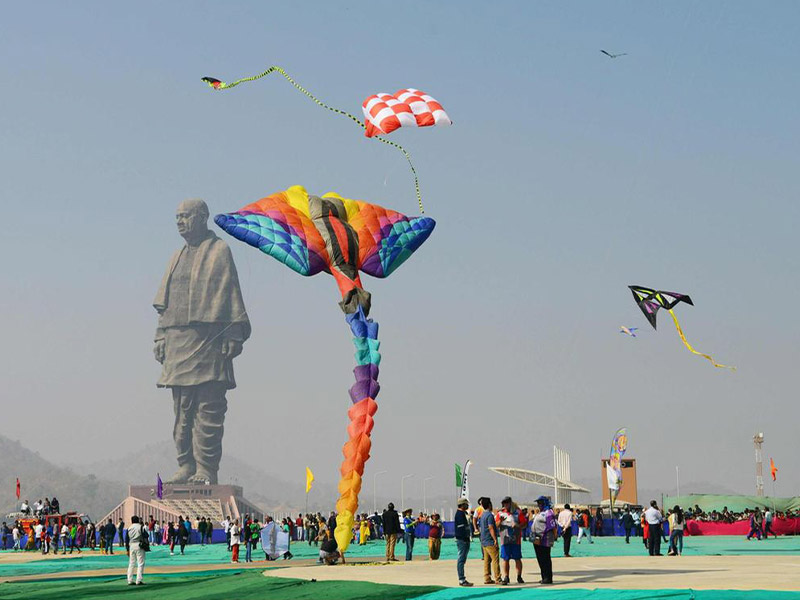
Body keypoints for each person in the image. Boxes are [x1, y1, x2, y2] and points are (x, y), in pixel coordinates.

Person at [154, 199, 251, 485]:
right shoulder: (177, 256)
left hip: (210, 341)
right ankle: (185, 464)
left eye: (185, 216)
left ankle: (206, 468)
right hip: (177, 340)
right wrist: (160, 335)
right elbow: (165, 303)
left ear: (202, 217)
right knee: (181, 409)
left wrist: (233, 334)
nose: (180, 222)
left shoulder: (219, 250)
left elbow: (230, 293)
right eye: (177, 217)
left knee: (209, 409)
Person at [496, 496, 527, 585]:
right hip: (504, 540)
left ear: (510, 503)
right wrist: (500, 521)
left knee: (517, 558)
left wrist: (517, 525)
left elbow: (524, 524)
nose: (505, 505)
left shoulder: (518, 512)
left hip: (516, 540)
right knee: (505, 559)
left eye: (507, 503)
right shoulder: (500, 513)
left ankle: (519, 576)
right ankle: (506, 577)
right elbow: (496, 525)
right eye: (504, 503)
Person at [531, 496, 557, 585]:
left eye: (540, 503)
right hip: (537, 538)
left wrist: (555, 536)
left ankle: (548, 578)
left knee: (545, 558)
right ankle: (543, 576)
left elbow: (553, 526)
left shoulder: (549, 513)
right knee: (540, 558)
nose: (539, 505)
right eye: (538, 503)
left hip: (545, 539)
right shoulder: (540, 512)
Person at [479, 498, 500, 585]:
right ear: (490, 505)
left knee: (487, 561)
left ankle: (487, 578)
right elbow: (491, 527)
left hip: (483, 541)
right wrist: (495, 539)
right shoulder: (490, 515)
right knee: (495, 559)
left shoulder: (483, 515)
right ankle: (498, 578)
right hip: (490, 541)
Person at [454, 498, 474, 587]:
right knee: (461, 559)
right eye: (466, 504)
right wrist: (465, 538)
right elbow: (461, 528)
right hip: (462, 540)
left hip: (464, 539)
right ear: (462, 505)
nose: (467, 506)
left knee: (463, 559)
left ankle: (462, 578)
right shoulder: (459, 515)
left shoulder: (463, 514)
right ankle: (461, 579)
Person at [126, 516, 147, 586]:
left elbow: (126, 539)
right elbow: (146, 535)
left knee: (131, 563)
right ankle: (139, 580)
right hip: (139, 545)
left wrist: (127, 549)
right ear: (138, 520)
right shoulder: (140, 527)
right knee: (140, 563)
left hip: (131, 545)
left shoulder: (129, 528)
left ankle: (129, 580)